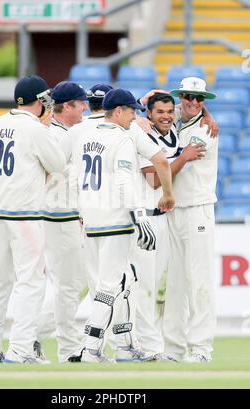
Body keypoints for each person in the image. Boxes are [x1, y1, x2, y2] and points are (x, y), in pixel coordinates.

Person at [70, 88, 174, 362]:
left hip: (91, 220)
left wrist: (82, 211)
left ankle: (126, 346)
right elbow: (124, 182)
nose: (133, 117)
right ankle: (91, 348)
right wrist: (140, 217)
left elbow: (73, 179)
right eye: (131, 111)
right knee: (109, 285)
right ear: (117, 111)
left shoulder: (85, 136)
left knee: (126, 279)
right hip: (116, 220)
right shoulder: (123, 139)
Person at [0, 75, 66, 364]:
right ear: (39, 101)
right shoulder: (36, 130)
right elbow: (58, 165)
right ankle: (21, 349)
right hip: (25, 213)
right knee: (30, 282)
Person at [133, 92, 205, 359]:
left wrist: (206, 114)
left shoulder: (171, 128)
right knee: (145, 287)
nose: (165, 116)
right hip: (146, 220)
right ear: (148, 115)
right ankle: (142, 345)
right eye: (159, 112)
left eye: (168, 111)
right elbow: (153, 180)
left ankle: (154, 345)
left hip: (163, 219)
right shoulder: (144, 134)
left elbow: (189, 108)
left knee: (160, 289)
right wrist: (183, 158)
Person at [162, 77, 218, 363]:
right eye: (188, 96)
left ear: (203, 101)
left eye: (199, 99)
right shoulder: (172, 125)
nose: (193, 102)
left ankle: (201, 349)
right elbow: (150, 105)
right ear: (180, 97)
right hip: (175, 210)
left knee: (198, 281)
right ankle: (173, 348)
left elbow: (178, 163)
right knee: (175, 283)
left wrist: (179, 156)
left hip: (198, 208)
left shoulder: (207, 129)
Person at [42, 81, 89, 363]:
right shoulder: (54, 134)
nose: (85, 107)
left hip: (68, 216)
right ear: (68, 106)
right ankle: (67, 348)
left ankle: (31, 337)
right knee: (68, 287)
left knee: (73, 285)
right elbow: (52, 176)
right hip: (57, 215)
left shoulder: (66, 131)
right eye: (80, 103)